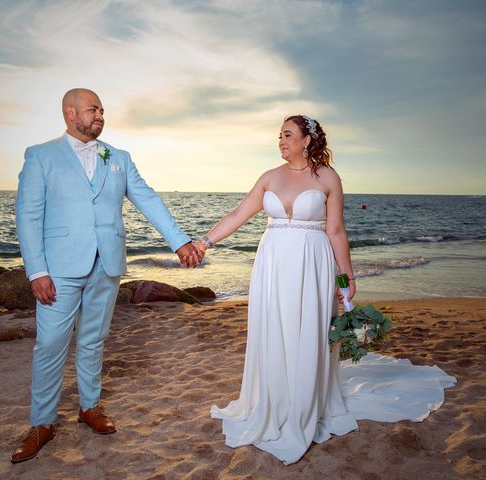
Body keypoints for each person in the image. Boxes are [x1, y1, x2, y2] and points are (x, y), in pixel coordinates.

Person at [195, 115, 455, 464]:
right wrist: (204, 241)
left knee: (310, 332)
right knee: (275, 329)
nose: (281, 142)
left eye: (288, 135)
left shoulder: (328, 178)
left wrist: (345, 279)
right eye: (279, 136)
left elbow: (336, 232)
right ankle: (274, 401)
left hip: (312, 263)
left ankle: (304, 405)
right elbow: (238, 214)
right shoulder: (269, 177)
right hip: (273, 264)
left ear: (307, 140)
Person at [11, 88, 202, 463]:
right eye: (93, 109)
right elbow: (28, 215)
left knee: (94, 339)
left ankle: (90, 407)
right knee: (50, 344)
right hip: (59, 268)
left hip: (107, 263)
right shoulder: (41, 156)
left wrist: (179, 242)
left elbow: (147, 198)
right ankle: (42, 423)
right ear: (70, 113)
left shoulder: (118, 157)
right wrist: (37, 271)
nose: (100, 115)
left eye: (101, 109)